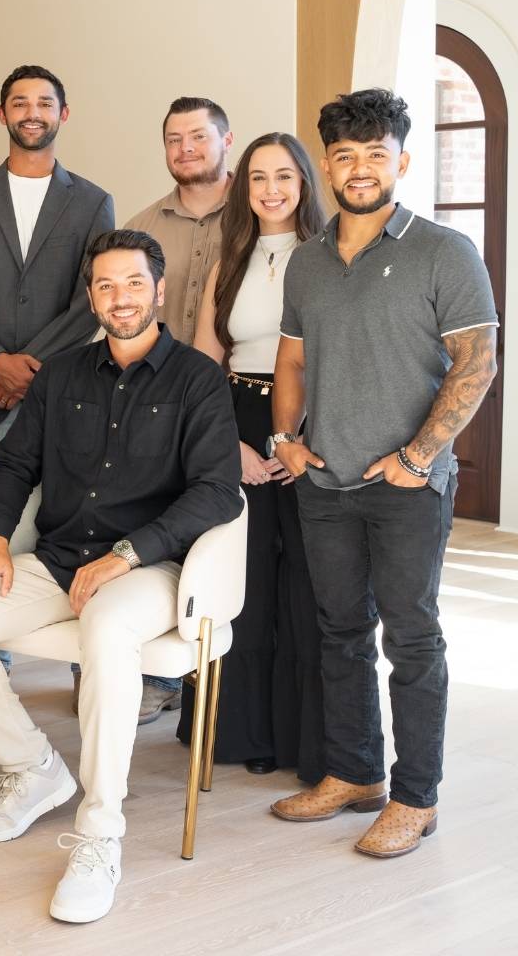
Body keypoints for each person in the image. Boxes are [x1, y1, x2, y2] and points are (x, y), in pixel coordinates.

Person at [0, 228, 239, 924]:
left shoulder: (197, 379)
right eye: (105, 285)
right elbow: (12, 467)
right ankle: (34, 769)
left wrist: (129, 552)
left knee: (108, 624)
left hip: (152, 567)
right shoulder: (62, 375)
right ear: (90, 294)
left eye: (133, 284)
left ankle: (100, 831)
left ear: (157, 290)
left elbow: (217, 492)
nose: (120, 298)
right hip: (61, 558)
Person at [269, 89, 497, 859]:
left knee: (413, 639)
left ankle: (415, 797)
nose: (360, 169)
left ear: (401, 160)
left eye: (375, 154)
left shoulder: (444, 251)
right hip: (325, 482)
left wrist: (418, 458)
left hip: (406, 487)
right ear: (326, 164)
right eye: (344, 155)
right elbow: (292, 357)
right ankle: (355, 773)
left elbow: (477, 361)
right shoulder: (306, 260)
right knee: (339, 633)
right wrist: (286, 440)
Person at [0, 64, 115, 698]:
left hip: (69, 391)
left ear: (63, 115)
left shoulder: (93, 200)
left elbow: (89, 301)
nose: (32, 112)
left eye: (45, 102)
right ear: (2, 114)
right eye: (20, 102)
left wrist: (25, 372)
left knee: (79, 517)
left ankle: (84, 663)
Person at [184, 132, 327, 778]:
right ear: (244, 188)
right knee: (244, 585)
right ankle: (241, 735)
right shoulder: (230, 261)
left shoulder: (327, 259)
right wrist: (230, 446)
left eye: (284, 177)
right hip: (237, 420)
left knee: (306, 584)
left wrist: (294, 438)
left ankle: (306, 743)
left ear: (304, 184)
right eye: (258, 177)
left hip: (311, 426)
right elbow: (201, 367)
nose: (271, 189)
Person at [119, 95, 235, 724]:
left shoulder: (257, 216)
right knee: (161, 521)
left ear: (226, 140)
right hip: (158, 405)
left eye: (198, 137)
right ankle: (157, 675)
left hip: (238, 400)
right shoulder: (142, 226)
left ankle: (217, 693)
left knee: (220, 532)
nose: (186, 149)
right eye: (174, 139)